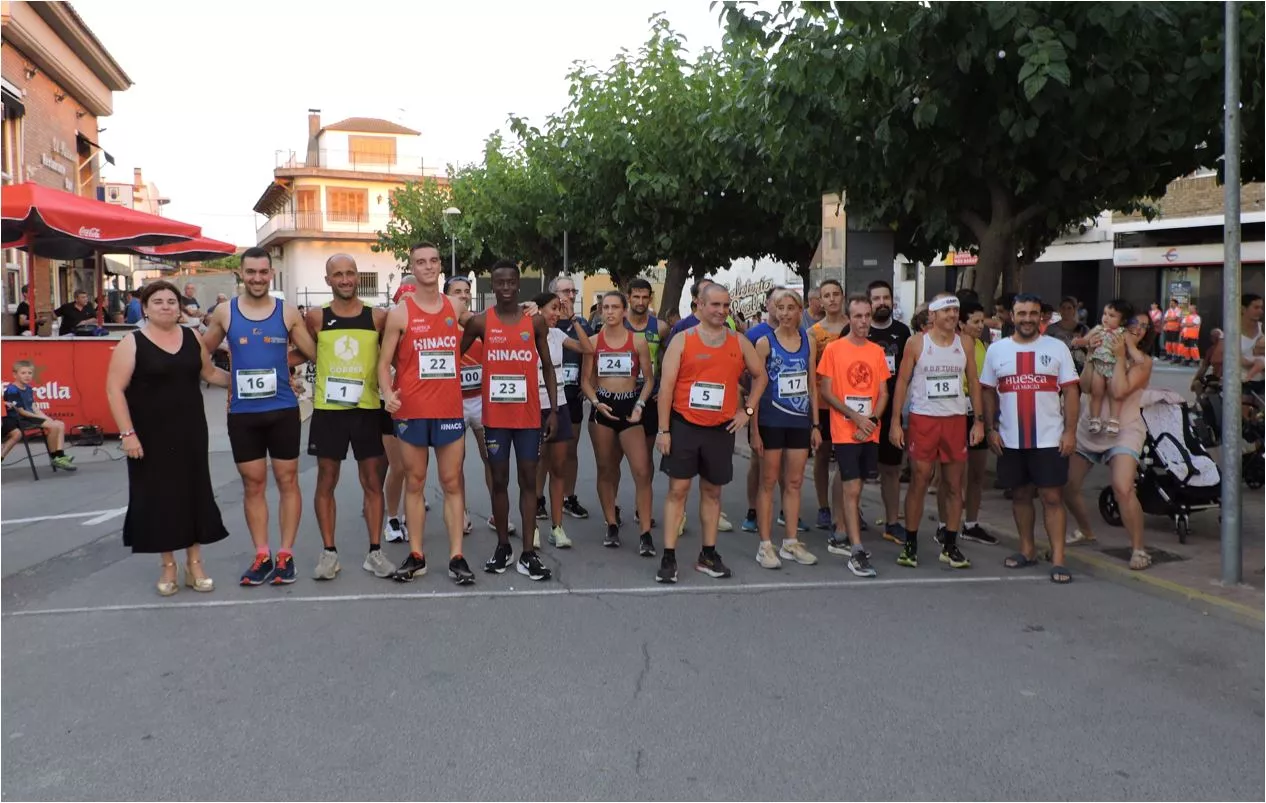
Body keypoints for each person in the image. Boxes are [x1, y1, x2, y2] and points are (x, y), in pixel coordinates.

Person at [104, 280, 230, 595]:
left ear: (179, 307)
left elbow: (211, 374)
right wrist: (128, 434)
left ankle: (195, 563)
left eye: (171, 301)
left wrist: (255, 381)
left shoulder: (192, 336)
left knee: (194, 494)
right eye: (157, 301)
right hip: (149, 435)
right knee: (160, 499)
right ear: (145, 308)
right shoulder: (132, 342)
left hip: (190, 432)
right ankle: (169, 566)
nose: (166, 306)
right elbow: (114, 390)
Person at [201, 247, 316, 586]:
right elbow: (200, 354)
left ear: (271, 274)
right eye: (250, 272)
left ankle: (285, 555)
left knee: (287, 481)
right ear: (241, 273)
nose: (257, 278)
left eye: (263, 272)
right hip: (243, 413)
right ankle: (262, 554)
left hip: (281, 410)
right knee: (253, 484)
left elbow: (310, 352)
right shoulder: (225, 312)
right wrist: (225, 380)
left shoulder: (287, 313)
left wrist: (281, 367)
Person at [378, 243, 474, 585]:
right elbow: (383, 361)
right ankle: (416, 554)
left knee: (451, 482)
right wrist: (387, 393)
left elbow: (485, 326)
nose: (429, 266)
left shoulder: (455, 305)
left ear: (439, 267)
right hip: (413, 411)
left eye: (434, 261)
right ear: (412, 268)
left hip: (448, 410)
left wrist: (524, 313)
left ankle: (456, 556)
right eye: (421, 262)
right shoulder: (401, 313)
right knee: (415, 482)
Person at [656, 283, 765, 583]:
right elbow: (665, 388)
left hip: (720, 429)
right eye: (715, 305)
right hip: (685, 425)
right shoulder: (682, 340)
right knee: (678, 490)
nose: (721, 311)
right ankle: (668, 556)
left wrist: (749, 411)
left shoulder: (739, 341)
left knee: (713, 492)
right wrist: (664, 430)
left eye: (726, 305)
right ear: (700, 306)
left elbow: (760, 376)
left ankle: (708, 553)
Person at [459, 259, 558, 582]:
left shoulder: (536, 322)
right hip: (495, 418)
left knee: (528, 482)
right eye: (499, 283)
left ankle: (528, 552)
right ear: (492, 285)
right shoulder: (480, 322)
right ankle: (503, 545)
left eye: (510, 283)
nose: (505, 288)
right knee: (498, 481)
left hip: (529, 418)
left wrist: (553, 410)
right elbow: (453, 358)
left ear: (518, 285)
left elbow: (547, 367)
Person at [301, 254, 395, 581]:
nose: (345, 279)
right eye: (337, 274)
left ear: (358, 278)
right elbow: (295, 349)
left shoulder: (379, 317)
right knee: (326, 480)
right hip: (329, 412)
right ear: (328, 280)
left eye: (350, 273)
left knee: (372, 481)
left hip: (368, 409)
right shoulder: (315, 317)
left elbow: (402, 348)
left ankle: (375, 552)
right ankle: (329, 554)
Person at [980, 293, 1080, 584]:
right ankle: (1027, 550)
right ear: (1011, 316)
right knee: (1021, 495)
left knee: (1052, 497)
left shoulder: (1057, 348)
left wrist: (1071, 431)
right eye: (1021, 313)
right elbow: (987, 391)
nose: (1026, 319)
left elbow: (1072, 392)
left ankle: (1059, 559)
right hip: (1011, 439)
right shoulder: (997, 350)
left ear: (1041, 317)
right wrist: (990, 429)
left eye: (1032, 313)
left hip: (1049, 439)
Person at [887, 292, 983, 570]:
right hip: (924, 419)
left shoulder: (965, 343)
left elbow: (974, 383)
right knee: (920, 479)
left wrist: (978, 421)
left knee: (954, 484)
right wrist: (895, 421)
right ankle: (911, 544)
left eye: (955, 311)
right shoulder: (917, 343)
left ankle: (950, 545)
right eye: (946, 311)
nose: (953, 316)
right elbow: (902, 382)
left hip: (954, 419)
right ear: (933, 315)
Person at [1063, 309, 1155, 570]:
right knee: (1068, 485)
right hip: (1091, 427)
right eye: (1135, 323)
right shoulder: (1100, 346)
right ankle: (1085, 531)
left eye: (1145, 326)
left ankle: (1139, 549)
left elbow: (1120, 390)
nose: (1139, 329)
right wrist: (1092, 355)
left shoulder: (1143, 362)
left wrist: (1118, 357)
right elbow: (1086, 386)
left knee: (1122, 487)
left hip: (1124, 428)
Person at [817, 295, 890, 577]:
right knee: (852, 488)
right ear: (849, 319)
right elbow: (826, 391)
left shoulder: (876, 351)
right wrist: (855, 417)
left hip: (869, 430)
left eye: (867, 316)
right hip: (846, 430)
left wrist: (871, 419)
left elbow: (883, 393)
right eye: (858, 316)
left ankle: (841, 535)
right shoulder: (834, 350)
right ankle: (856, 550)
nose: (863, 321)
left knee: (860, 486)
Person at [749, 288, 820, 569]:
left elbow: (812, 384)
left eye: (792, 308)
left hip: (799, 421)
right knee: (768, 482)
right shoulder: (765, 343)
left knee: (794, 482)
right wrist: (754, 430)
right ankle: (765, 545)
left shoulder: (809, 341)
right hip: (770, 420)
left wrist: (815, 424)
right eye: (781, 308)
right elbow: (756, 388)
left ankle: (790, 542)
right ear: (774, 311)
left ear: (800, 310)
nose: (787, 313)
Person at [583, 290, 656, 554]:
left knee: (642, 470)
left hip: (630, 408)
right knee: (606, 468)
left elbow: (649, 378)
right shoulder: (593, 342)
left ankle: (645, 532)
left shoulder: (637, 342)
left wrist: (640, 405)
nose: (610, 312)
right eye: (606, 307)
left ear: (625, 311)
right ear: (601, 311)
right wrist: (595, 402)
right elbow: (585, 381)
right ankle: (611, 523)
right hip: (602, 408)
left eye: (615, 307)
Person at [531, 290, 592, 549]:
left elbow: (587, 349)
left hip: (559, 408)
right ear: (539, 310)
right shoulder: (526, 336)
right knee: (532, 470)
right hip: (532, 410)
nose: (556, 313)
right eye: (552, 308)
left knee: (558, 469)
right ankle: (531, 526)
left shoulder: (558, 335)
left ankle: (557, 528)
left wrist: (574, 319)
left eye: (559, 309)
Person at [860, 280, 913, 547]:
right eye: (876, 298)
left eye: (886, 298)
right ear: (869, 303)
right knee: (852, 469)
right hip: (860, 412)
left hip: (892, 412)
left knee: (891, 470)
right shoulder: (858, 329)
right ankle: (844, 521)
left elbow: (907, 374)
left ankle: (893, 523)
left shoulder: (903, 332)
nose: (882, 302)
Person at [447, 275, 497, 535]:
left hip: (480, 400)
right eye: (457, 291)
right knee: (456, 464)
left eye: (467, 291)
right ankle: (462, 513)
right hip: (453, 403)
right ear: (446, 295)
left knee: (491, 457)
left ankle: (496, 513)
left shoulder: (480, 322)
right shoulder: (442, 324)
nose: (464, 295)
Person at [943, 300, 996, 545]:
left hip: (977, 414)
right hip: (953, 413)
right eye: (975, 321)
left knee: (976, 473)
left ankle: (971, 523)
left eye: (981, 321)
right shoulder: (952, 345)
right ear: (961, 323)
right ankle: (945, 524)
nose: (980, 325)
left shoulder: (983, 345)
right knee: (953, 476)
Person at [808, 279, 847, 533]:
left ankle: (847, 507)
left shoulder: (853, 326)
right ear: (820, 300)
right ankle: (824, 507)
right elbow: (811, 376)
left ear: (842, 297)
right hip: (823, 402)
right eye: (826, 295)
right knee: (822, 455)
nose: (832, 299)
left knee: (848, 458)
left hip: (849, 404)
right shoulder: (814, 332)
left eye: (836, 294)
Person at [3, 360, 76, 470]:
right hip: (18, 419)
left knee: (59, 424)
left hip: (29, 417)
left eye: (30, 373)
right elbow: (22, 412)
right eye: (23, 373)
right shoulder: (12, 390)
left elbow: (34, 408)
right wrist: (43, 420)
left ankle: (59, 455)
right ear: (15, 375)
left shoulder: (29, 389)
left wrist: (48, 419)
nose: (27, 376)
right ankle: (55, 457)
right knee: (53, 426)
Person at [1081, 300, 1130, 435]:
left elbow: (1131, 348)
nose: (1106, 318)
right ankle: (1094, 418)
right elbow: (1086, 340)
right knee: (1096, 392)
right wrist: (1083, 342)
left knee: (1114, 393)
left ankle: (1114, 419)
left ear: (1122, 320)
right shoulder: (1098, 329)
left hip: (1115, 367)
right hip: (1099, 365)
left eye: (1112, 315)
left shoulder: (1123, 332)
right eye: (1105, 314)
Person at [1045, 296, 1090, 374]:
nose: (1066, 311)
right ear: (1059, 310)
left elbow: (1090, 348)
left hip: (1080, 369)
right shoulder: (1050, 329)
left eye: (1069, 308)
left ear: (1074, 310)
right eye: (1063, 308)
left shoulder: (1083, 329)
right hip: (1057, 367)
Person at [1179, 302, 1202, 367]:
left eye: (1191, 308)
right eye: (1189, 308)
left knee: (1194, 349)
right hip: (1185, 335)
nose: (1190, 310)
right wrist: (1187, 325)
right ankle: (1187, 360)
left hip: (1193, 336)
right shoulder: (1187, 317)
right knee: (1186, 349)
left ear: (1195, 310)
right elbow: (1182, 324)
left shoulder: (1197, 317)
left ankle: (1196, 361)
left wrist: (1186, 324)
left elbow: (1192, 324)